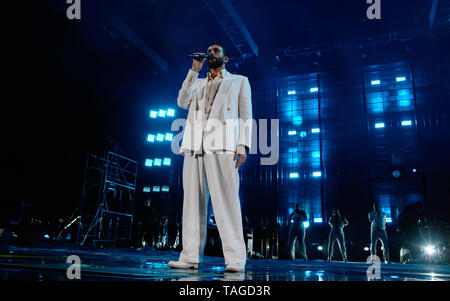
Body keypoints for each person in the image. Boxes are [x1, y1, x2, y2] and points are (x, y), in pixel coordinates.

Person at [168, 42, 253, 273]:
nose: (211, 52)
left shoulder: (239, 81)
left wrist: (242, 145)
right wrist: (193, 70)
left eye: (216, 50)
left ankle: (235, 258)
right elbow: (181, 102)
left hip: (223, 144)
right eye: (209, 50)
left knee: (226, 202)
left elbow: (246, 115)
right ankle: (189, 256)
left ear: (225, 59)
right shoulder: (197, 82)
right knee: (192, 202)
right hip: (195, 145)